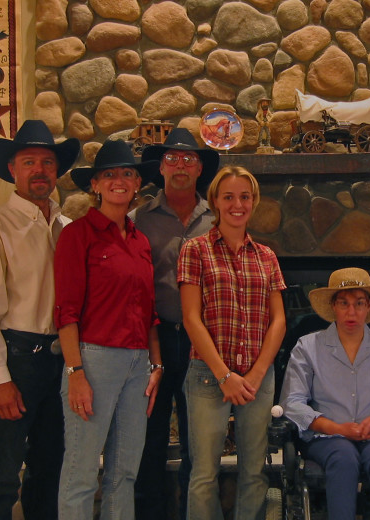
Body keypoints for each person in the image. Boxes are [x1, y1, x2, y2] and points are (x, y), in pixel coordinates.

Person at [0, 119, 79, 520]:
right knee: (2, 473)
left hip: (60, 363)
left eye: (47, 163)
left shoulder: (66, 228)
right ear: (12, 169)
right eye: (29, 162)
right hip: (17, 360)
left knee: (50, 470)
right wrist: (0, 379)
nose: (39, 170)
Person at [54, 139, 163, 520]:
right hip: (93, 359)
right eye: (110, 174)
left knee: (124, 473)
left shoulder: (141, 242)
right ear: (95, 185)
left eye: (128, 174)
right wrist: (76, 373)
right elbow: (65, 312)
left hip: (138, 364)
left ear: (137, 185)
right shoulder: (77, 235)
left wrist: (156, 364)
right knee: (82, 472)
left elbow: (149, 312)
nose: (120, 180)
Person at [178, 166, 287, 520]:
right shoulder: (195, 250)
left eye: (244, 196)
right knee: (203, 472)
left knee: (254, 470)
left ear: (253, 202)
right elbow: (192, 318)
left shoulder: (267, 257)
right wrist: (225, 375)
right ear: (215, 202)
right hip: (209, 376)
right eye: (228, 197)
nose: (237, 204)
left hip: (258, 378)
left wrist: (255, 374)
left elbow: (279, 320)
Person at [280, 267, 370, 520]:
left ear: (369, 306)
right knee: (343, 457)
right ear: (333, 306)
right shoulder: (308, 346)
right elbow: (292, 403)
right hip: (326, 437)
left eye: (359, 303)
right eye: (344, 303)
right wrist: (335, 427)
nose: (352, 312)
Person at [131, 128, 220, 520]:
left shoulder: (218, 220)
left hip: (204, 343)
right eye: (172, 159)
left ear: (200, 168)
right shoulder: (138, 220)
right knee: (147, 437)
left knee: (196, 440)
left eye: (189, 159)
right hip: (154, 339)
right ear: (160, 168)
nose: (180, 166)